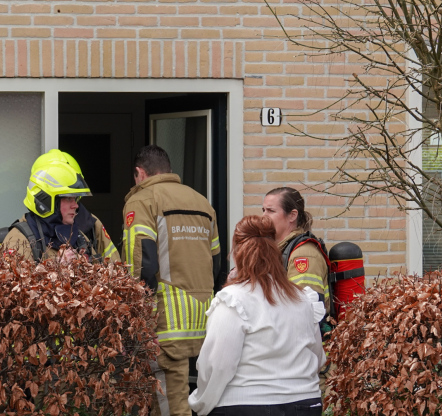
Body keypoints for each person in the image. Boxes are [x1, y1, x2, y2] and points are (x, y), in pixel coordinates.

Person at [188, 215, 326, 416]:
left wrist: (201, 403)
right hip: (305, 403)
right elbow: (318, 357)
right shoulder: (303, 298)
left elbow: (217, 366)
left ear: (237, 253)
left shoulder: (233, 300)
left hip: (244, 404)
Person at [122, 145, 221, 416]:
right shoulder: (202, 202)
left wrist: (136, 313)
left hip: (165, 321)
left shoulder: (141, 200)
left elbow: (142, 263)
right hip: (203, 318)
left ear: (139, 173)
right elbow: (217, 262)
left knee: (171, 402)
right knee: (204, 396)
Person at [1, 149, 120, 263]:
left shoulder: (78, 236)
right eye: (68, 199)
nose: (75, 206)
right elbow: (12, 283)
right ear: (46, 201)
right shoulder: (18, 240)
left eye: (75, 199)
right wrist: (57, 269)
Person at [261, 187, 331, 317]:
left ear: (292, 215)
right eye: (263, 210)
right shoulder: (278, 249)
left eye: (271, 211)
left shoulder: (303, 254)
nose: (263, 216)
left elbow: (305, 309)